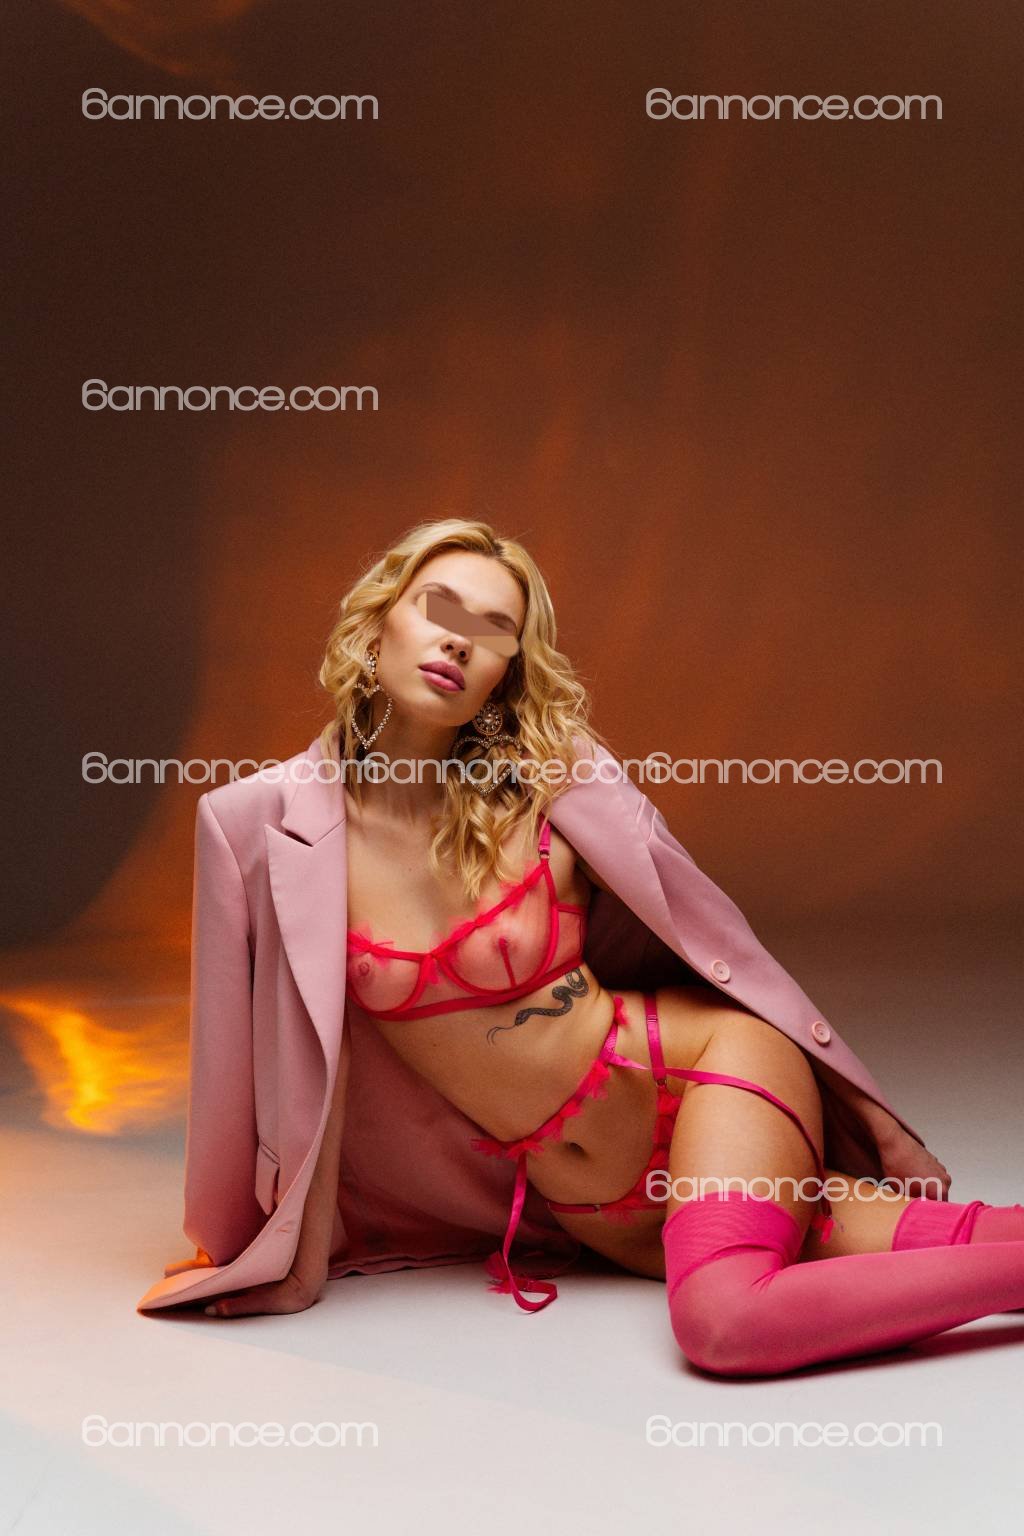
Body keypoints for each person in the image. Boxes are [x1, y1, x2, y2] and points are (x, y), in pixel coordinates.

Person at [192, 518, 1024, 1376]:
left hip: (703, 1073)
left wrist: (879, 1124)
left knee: (724, 1323)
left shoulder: (552, 780)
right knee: (964, 1242)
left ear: (507, 672)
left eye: (494, 631)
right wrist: (299, 1264)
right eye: (439, 607)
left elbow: (723, 944)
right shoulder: (257, 826)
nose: (460, 641)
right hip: (596, 1211)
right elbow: (308, 1067)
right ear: (377, 622)